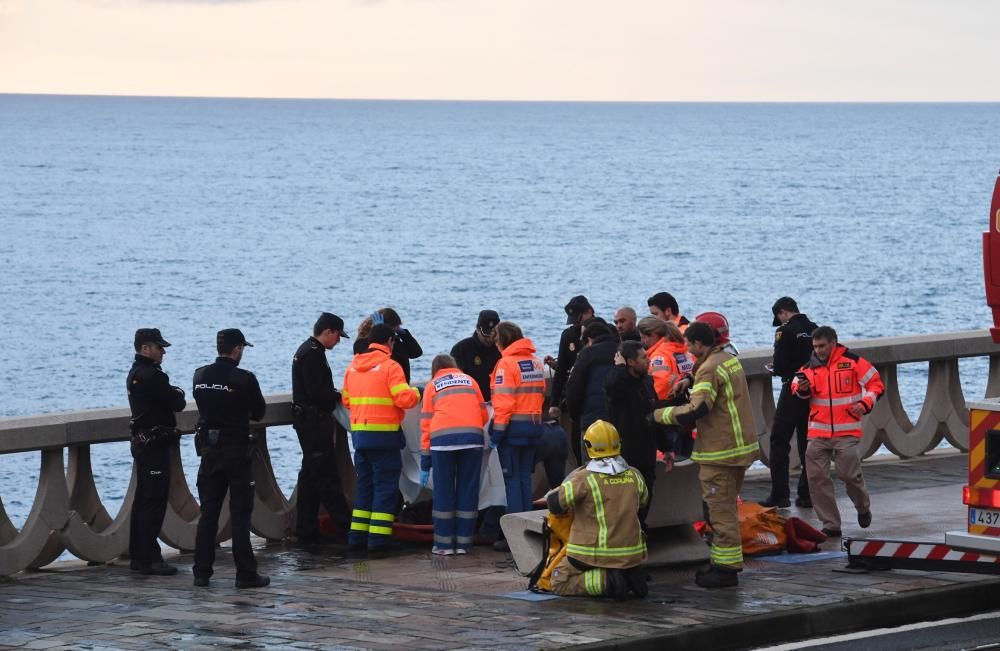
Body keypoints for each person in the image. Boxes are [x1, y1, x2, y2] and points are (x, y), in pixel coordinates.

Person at [654, 320, 759, 588]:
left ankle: (725, 569)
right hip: (739, 448)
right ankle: (725, 563)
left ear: (700, 344)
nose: (687, 349)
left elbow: (696, 409)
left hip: (719, 452)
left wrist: (658, 415)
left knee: (719, 511)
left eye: (689, 344)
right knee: (726, 510)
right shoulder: (727, 359)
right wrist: (690, 378)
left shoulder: (709, 369)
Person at [191, 329, 269, 589]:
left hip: (209, 452)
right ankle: (245, 573)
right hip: (236, 451)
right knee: (240, 513)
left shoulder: (200, 376)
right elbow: (259, 412)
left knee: (208, 513)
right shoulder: (244, 378)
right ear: (237, 349)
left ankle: (201, 572)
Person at [792, 326, 883, 537]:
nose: (818, 350)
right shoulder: (808, 368)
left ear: (833, 343)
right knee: (816, 479)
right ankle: (831, 524)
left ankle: (862, 507)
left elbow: (876, 384)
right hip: (817, 433)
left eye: (822, 346)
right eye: (815, 346)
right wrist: (802, 389)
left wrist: (865, 403)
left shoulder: (853, 361)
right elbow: (796, 388)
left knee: (848, 475)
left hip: (846, 432)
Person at [545, 420, 649, 599]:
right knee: (621, 565)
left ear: (588, 447)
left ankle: (608, 581)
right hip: (632, 552)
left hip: (592, 553)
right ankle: (628, 575)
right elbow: (644, 501)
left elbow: (555, 505)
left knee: (558, 581)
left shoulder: (584, 478)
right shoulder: (634, 475)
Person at [342, 323, 421, 557]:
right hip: (385, 436)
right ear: (389, 341)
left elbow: (346, 401)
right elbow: (404, 399)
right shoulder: (390, 366)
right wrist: (420, 392)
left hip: (359, 436)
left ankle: (356, 539)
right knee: (385, 488)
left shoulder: (353, 367)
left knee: (364, 488)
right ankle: (377, 541)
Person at [126, 328, 187, 576]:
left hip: (142, 443)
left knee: (142, 500)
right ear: (145, 349)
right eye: (159, 347)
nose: (163, 352)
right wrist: (175, 392)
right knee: (154, 501)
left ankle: (138, 556)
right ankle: (150, 558)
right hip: (155, 444)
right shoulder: (152, 376)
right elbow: (178, 402)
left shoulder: (134, 374)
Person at [291, 312, 353, 544]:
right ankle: (346, 528)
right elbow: (317, 392)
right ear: (328, 331)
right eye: (338, 336)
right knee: (327, 476)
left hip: (308, 421)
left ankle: (306, 528)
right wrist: (335, 396)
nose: (338, 342)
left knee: (309, 477)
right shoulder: (313, 354)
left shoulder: (307, 351)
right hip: (314, 422)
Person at [419, 354, 489, 556]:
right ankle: (464, 544)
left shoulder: (433, 385)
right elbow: (483, 414)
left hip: (442, 442)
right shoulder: (470, 381)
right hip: (472, 438)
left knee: (444, 492)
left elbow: (426, 425)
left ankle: (443, 545)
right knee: (468, 490)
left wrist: (425, 462)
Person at [762, 297, 818, 509]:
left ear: (782, 313)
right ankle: (806, 494)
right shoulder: (814, 328)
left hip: (792, 388)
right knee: (807, 443)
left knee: (779, 440)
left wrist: (774, 368)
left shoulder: (784, 331)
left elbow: (781, 365)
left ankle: (780, 494)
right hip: (813, 390)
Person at [491, 321, 545, 515]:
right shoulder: (535, 362)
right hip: (534, 427)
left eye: (496, 339)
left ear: (502, 340)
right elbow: (541, 394)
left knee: (511, 479)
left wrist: (496, 435)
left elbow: (504, 404)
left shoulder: (506, 364)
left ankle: (514, 530)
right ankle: (527, 527)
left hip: (513, 430)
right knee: (524, 478)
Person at [604, 340, 660, 526]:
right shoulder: (619, 384)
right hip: (626, 454)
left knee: (646, 499)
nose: (648, 359)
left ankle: (639, 535)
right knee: (627, 503)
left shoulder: (645, 382)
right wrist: (620, 368)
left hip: (647, 452)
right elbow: (612, 388)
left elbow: (655, 415)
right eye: (643, 357)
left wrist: (666, 447)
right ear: (630, 362)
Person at [637, 316, 695, 458]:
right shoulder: (682, 350)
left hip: (667, 416)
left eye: (644, 338)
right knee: (685, 460)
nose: (642, 342)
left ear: (653, 335)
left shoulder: (659, 356)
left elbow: (660, 387)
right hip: (685, 411)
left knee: (670, 463)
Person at [565, 319, 618, 440]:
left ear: (589, 339)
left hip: (592, 421)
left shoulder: (587, 353)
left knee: (592, 457)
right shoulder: (622, 350)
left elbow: (573, 390)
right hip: (619, 420)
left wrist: (576, 416)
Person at [547, 295, 593, 421]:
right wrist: (554, 403)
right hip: (576, 396)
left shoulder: (605, 331)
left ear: (589, 312)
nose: (576, 324)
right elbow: (561, 370)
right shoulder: (568, 335)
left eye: (578, 320)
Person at [353, 307, 423, 382]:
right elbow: (383, 357)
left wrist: (404, 334)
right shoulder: (362, 343)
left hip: (400, 384)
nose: (397, 329)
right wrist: (380, 331)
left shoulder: (394, 341)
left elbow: (416, 352)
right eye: (395, 327)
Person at [450, 309, 502, 401]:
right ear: (478, 329)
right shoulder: (461, 349)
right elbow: (454, 381)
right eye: (486, 334)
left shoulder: (503, 349)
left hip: (499, 403)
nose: (490, 339)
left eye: (493, 334)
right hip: (472, 403)